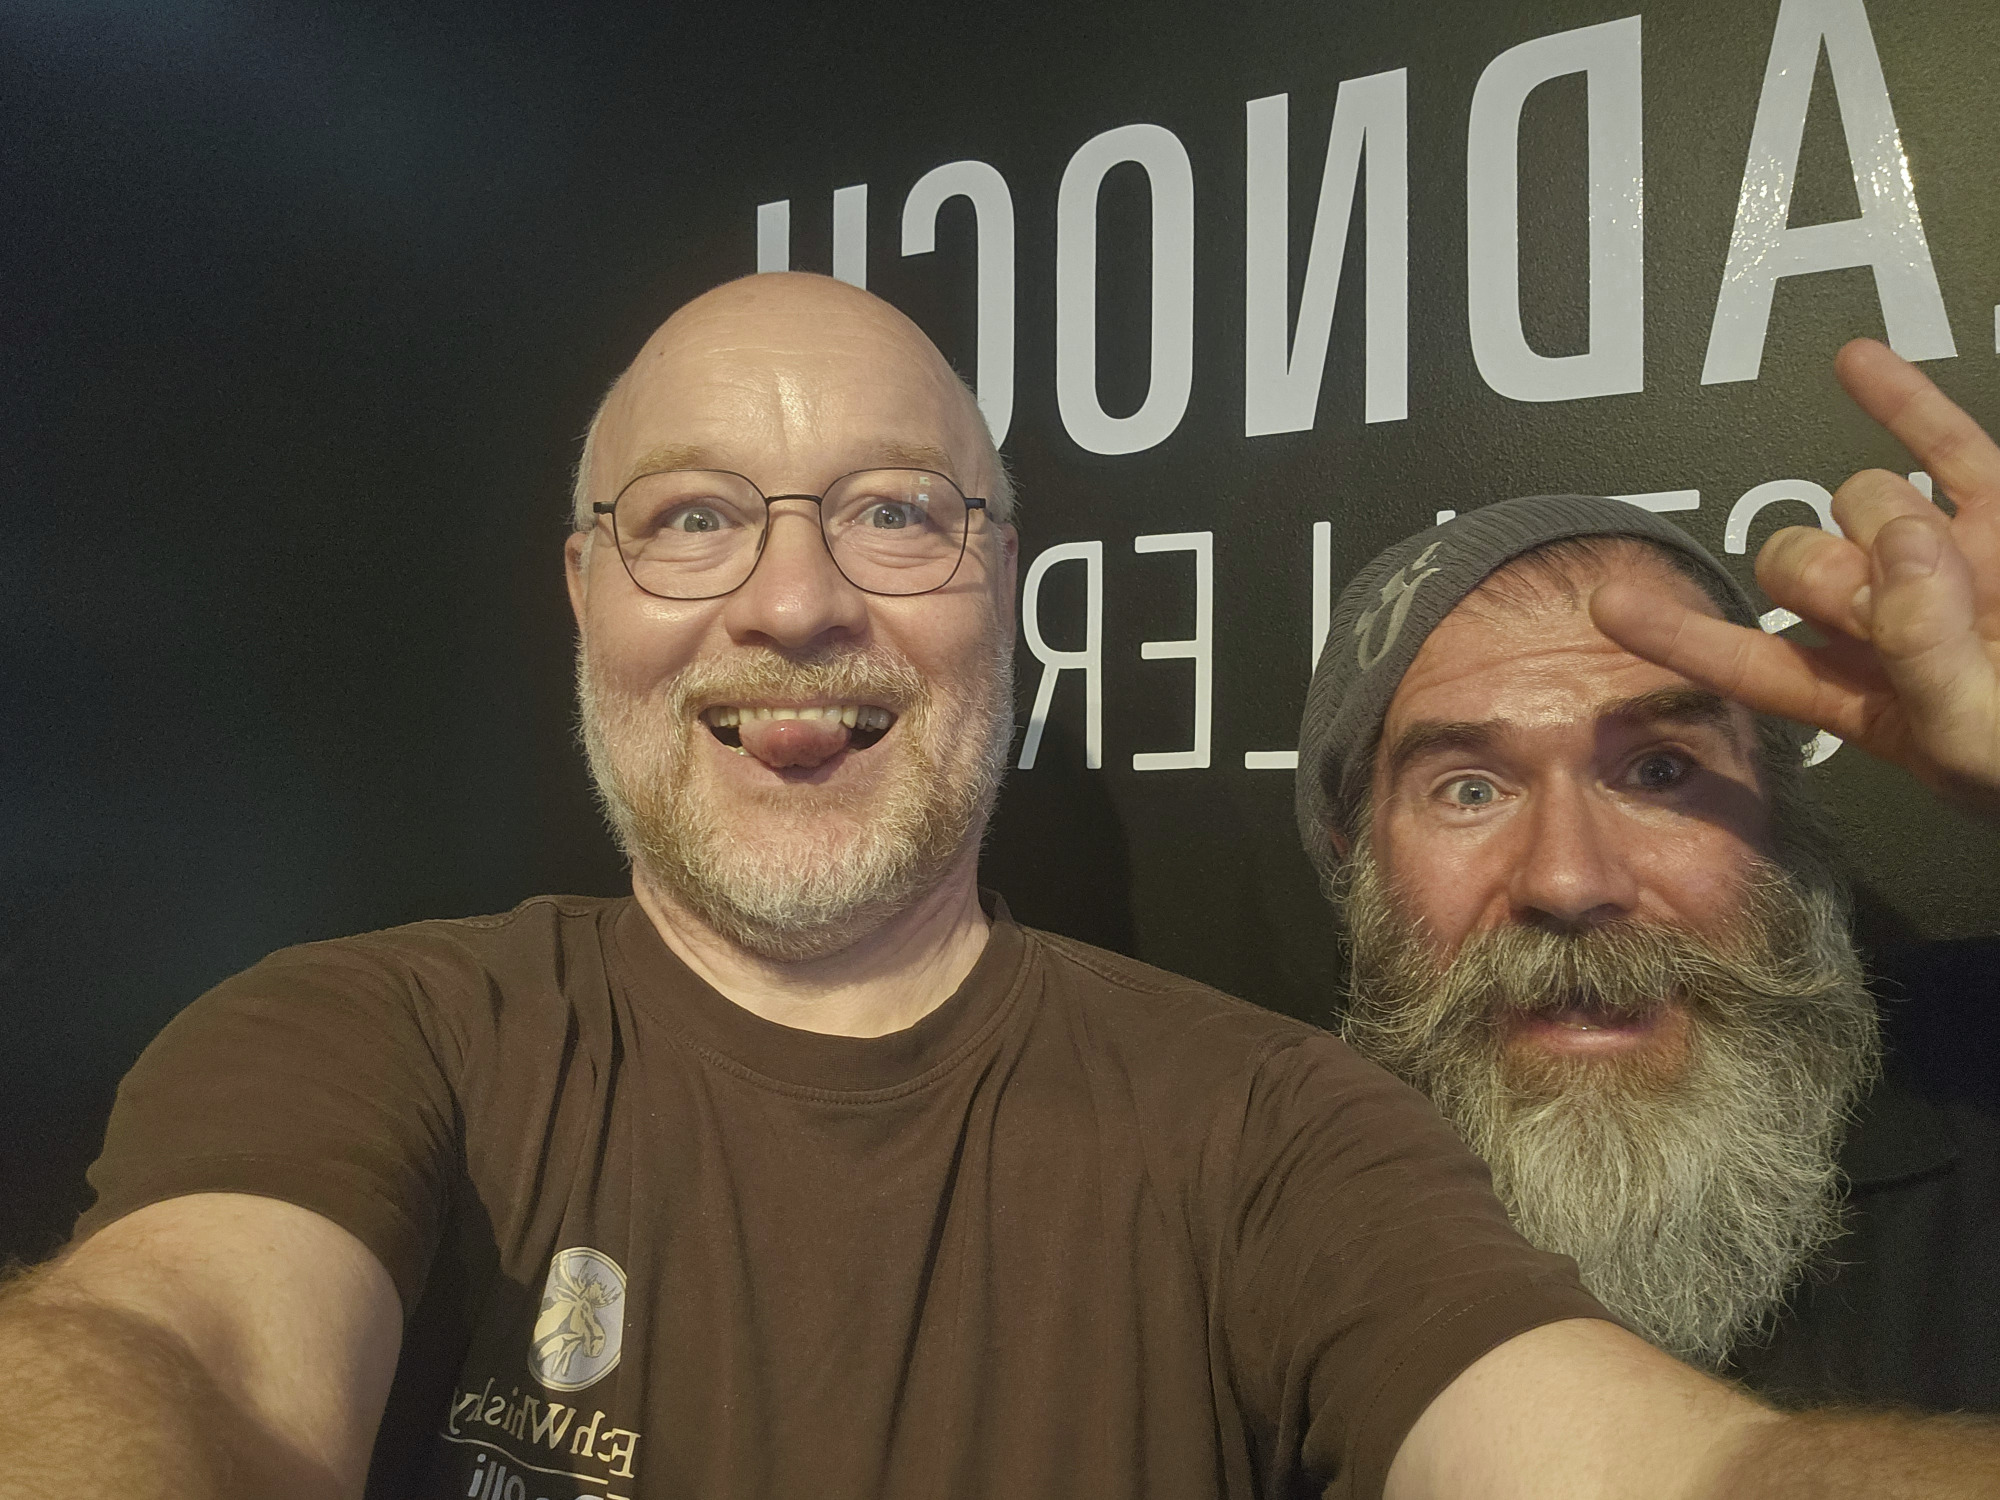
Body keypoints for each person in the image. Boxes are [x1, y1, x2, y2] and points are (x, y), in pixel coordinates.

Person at [3, 279, 1996, 1500]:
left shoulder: (1275, 1132)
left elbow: (1660, 1468)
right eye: (692, 518)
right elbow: (176, 1360)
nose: (796, 600)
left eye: (894, 511)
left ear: (1005, 593)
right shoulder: (368, 1036)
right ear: (586, 593)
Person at [1294, 340, 2000, 1409]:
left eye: (1658, 771)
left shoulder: (1981, 1088)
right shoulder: (1249, 1240)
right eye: (1469, 789)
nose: (1568, 881)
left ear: (1780, 815)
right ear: (1355, 865)